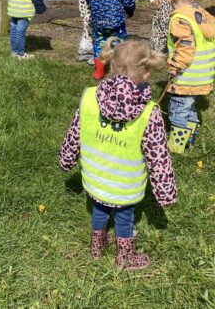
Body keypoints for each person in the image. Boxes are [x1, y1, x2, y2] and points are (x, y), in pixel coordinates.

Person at [59, 39, 177, 270]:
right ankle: (125, 257)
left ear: (111, 67)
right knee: (124, 217)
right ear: (146, 73)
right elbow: (158, 158)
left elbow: (75, 133)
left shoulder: (89, 97)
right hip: (125, 184)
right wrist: (165, 194)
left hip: (95, 179)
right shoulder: (149, 113)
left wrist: (66, 159)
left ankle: (96, 248)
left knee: (99, 209)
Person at [166, 0, 215, 153]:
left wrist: (174, 67)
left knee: (178, 111)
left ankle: (177, 146)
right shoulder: (202, 16)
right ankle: (190, 140)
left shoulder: (180, 20)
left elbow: (185, 49)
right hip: (202, 76)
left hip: (186, 77)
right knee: (189, 108)